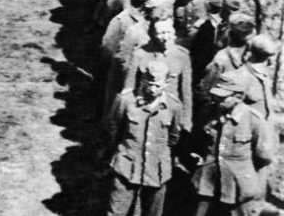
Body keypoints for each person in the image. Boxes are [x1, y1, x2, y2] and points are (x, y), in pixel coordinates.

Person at [191, 71, 274, 216]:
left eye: (222, 97)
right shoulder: (208, 112)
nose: (216, 100)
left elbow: (264, 156)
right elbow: (198, 141)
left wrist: (243, 169)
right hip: (207, 182)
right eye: (215, 95)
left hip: (237, 186)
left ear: (239, 97)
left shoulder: (253, 120)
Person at [105, 61, 181, 216]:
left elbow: (173, 138)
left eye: (158, 85)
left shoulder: (173, 106)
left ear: (167, 83)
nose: (152, 89)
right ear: (142, 80)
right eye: (149, 83)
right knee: (116, 211)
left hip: (157, 169)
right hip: (127, 166)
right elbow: (113, 130)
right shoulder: (125, 101)